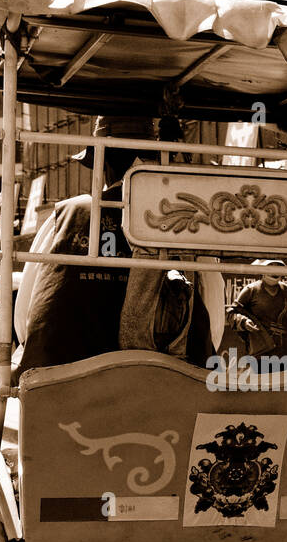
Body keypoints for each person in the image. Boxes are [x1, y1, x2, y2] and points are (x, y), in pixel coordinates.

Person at [17, 114, 215, 372]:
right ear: (156, 161)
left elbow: (25, 321)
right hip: (174, 383)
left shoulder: (67, 215)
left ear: (103, 165)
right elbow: (215, 326)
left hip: (60, 383)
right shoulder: (193, 222)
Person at [227, 259, 287, 360]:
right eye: (270, 266)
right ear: (262, 270)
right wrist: (244, 322)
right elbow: (231, 314)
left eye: (278, 267)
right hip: (261, 350)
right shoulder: (251, 290)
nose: (274, 271)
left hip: (285, 351)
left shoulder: (286, 290)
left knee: (286, 376)